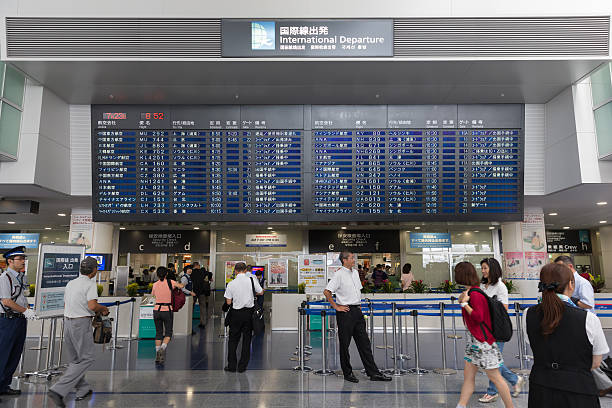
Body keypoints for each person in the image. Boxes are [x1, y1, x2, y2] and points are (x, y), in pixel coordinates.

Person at [525, 263, 608, 406]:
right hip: (579, 391)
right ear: (571, 284)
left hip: (541, 390)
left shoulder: (527, 315)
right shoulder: (588, 319)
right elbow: (596, 363)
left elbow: (532, 344)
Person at [47, 257, 110, 407]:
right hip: (80, 324)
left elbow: (69, 303)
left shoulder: (71, 283)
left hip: (68, 322)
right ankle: (58, 390)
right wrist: (103, 309)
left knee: (76, 359)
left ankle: (83, 388)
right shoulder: (90, 284)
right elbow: (92, 305)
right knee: (86, 358)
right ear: (94, 270)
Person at [324, 251, 391, 383]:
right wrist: (336, 306)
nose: (354, 260)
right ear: (344, 260)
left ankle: (373, 373)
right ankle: (347, 373)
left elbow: (357, 291)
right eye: (351, 258)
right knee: (345, 345)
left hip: (357, 311)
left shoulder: (355, 273)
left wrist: (359, 305)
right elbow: (327, 292)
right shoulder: (338, 274)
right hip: (345, 312)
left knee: (365, 344)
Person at [454, 261, 514, 408]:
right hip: (474, 343)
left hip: (483, 342)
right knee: (468, 377)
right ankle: (461, 405)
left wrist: (464, 304)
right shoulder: (471, 292)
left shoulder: (475, 294)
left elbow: (478, 317)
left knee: (496, 378)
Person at [478, 258, 523, 403]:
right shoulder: (483, 285)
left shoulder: (500, 286)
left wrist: (487, 306)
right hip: (484, 328)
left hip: (496, 328)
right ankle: (514, 379)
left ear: (493, 268)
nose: (483, 271)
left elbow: (504, 309)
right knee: (491, 360)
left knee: (493, 361)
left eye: (485, 268)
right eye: (482, 268)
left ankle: (492, 391)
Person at [0, 246, 36, 400]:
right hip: (7, 321)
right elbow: (7, 301)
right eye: (20, 259)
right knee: (3, 355)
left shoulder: (21, 277)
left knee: (15, 354)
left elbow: (21, 297)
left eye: (23, 259)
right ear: (10, 261)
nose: (23, 261)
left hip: (19, 320)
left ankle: (4, 385)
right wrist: (24, 310)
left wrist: (28, 309)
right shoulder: (4, 278)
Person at [223, 262, 263, 372]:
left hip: (235, 314)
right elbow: (260, 292)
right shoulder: (251, 280)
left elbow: (228, 301)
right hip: (248, 314)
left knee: (233, 340)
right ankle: (242, 367)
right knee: (247, 340)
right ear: (245, 270)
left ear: (235, 271)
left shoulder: (231, 284)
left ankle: (231, 366)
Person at [151, 267, 184, 364]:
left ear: (157, 275)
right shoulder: (171, 282)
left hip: (156, 310)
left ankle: (157, 353)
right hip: (167, 310)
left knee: (158, 333)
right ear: (166, 274)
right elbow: (181, 286)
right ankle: (162, 348)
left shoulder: (155, 284)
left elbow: (153, 295)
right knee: (168, 333)